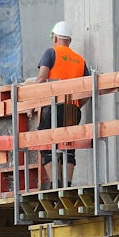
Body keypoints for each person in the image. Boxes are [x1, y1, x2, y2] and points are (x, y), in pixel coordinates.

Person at [34, 20, 89, 188]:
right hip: (72, 108)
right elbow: (88, 90)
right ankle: (68, 184)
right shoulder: (80, 60)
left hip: (52, 107)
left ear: (55, 37)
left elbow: (42, 78)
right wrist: (77, 104)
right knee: (69, 145)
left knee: (45, 142)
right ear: (69, 40)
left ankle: (55, 183)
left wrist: (33, 103)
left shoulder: (51, 53)